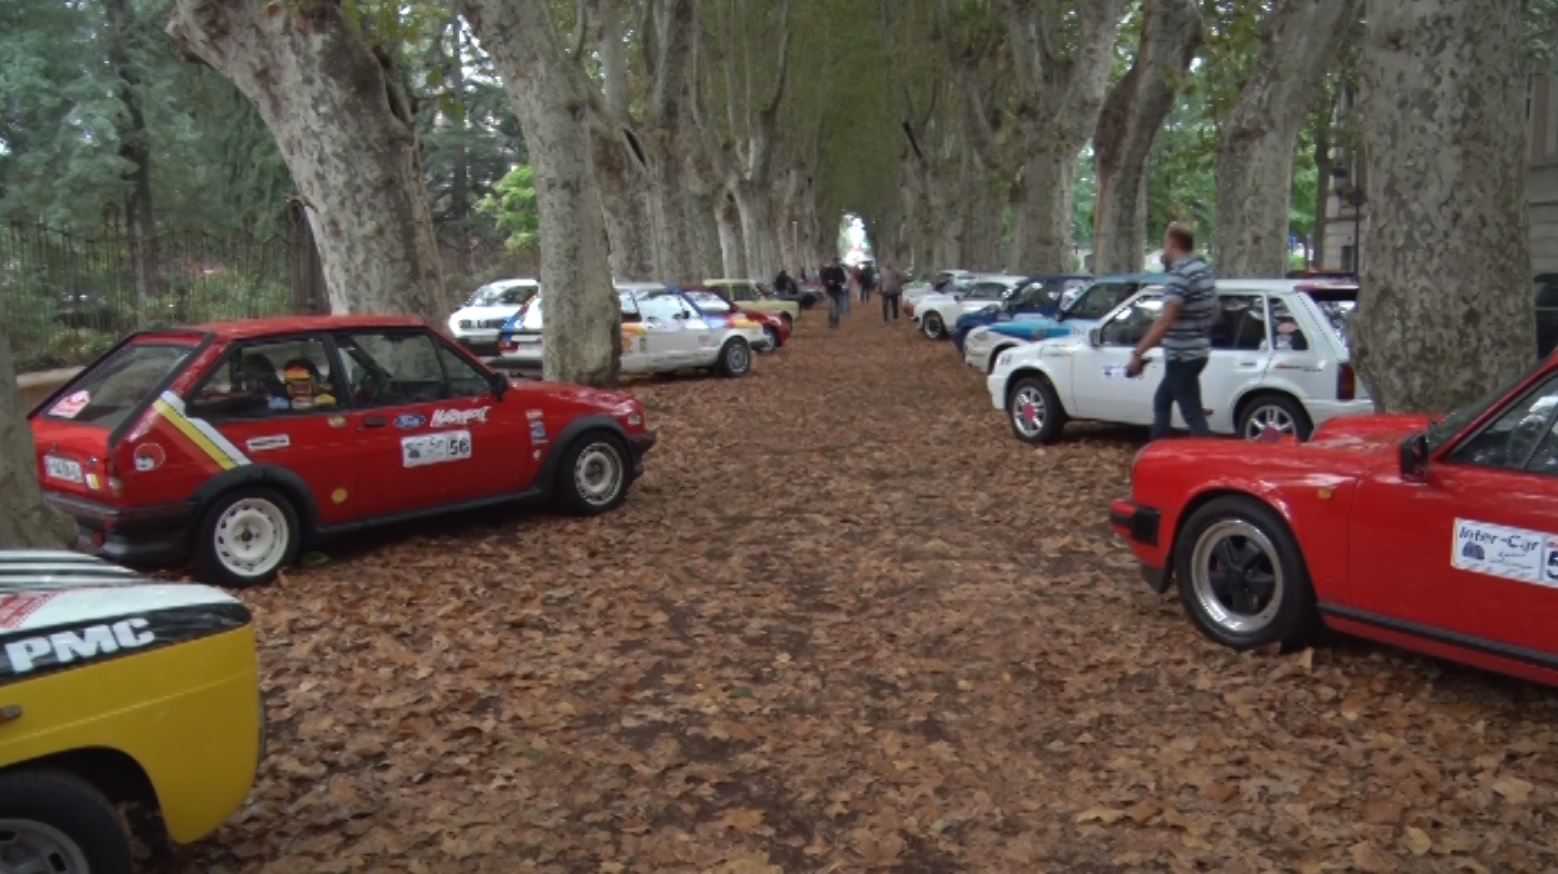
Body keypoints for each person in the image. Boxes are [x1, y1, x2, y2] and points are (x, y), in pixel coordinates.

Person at [1125, 222, 1216, 439]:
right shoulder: (1203, 271)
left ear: (1173, 243)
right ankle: (1160, 449)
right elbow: (1215, 311)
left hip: (1182, 356)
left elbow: (1165, 321)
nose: (1164, 250)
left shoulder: (1180, 275)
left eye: (1165, 244)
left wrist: (1138, 353)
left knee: (1192, 413)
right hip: (1198, 352)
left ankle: (1173, 453)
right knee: (1163, 401)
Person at [821, 256, 848, 329]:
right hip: (829, 291)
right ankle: (831, 322)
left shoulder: (840, 270)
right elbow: (823, 280)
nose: (836, 263)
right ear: (832, 262)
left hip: (838, 290)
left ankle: (836, 322)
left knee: (836, 308)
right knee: (831, 307)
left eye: (837, 262)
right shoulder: (827, 270)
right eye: (835, 262)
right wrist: (828, 282)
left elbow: (843, 279)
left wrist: (840, 282)